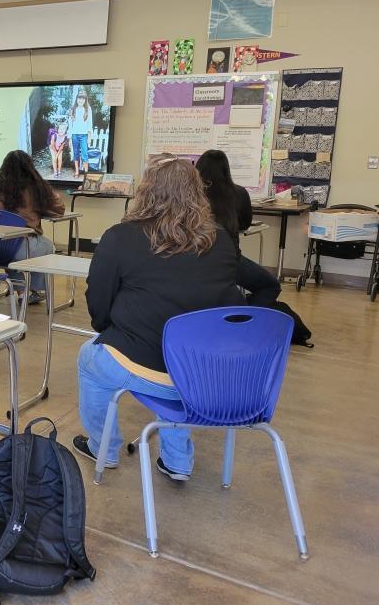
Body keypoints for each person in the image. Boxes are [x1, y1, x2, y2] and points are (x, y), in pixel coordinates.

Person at [73, 155, 244, 482]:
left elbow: (99, 303)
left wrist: (108, 332)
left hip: (138, 362)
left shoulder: (120, 237)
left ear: (147, 190)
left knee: (89, 356)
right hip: (200, 370)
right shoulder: (221, 240)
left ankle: (103, 448)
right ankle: (178, 460)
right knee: (178, 363)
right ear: (198, 191)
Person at [196, 150, 281, 308]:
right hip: (229, 261)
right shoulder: (239, 193)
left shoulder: (191, 194)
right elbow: (245, 224)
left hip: (193, 259)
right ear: (226, 170)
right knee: (271, 286)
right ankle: (243, 315)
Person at [0, 150, 64, 303]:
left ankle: (23, 292)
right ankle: (34, 289)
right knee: (48, 247)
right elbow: (58, 211)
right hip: (20, 248)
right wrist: (55, 199)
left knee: (11, 248)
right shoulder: (34, 187)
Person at [67, 88, 93, 179]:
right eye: (79, 98)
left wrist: (89, 136)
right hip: (74, 135)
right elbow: (70, 125)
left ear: (85, 100)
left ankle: (86, 172)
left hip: (84, 135)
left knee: (84, 154)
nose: (80, 100)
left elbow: (90, 123)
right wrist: (69, 138)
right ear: (76, 99)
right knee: (76, 153)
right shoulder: (73, 109)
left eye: (82, 99)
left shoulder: (88, 109)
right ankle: (77, 171)